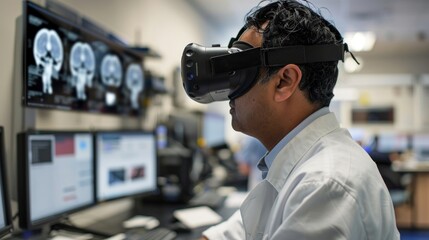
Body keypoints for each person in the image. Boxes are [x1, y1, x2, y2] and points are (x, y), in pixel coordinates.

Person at [199, 0, 400, 239]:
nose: (229, 90)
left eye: (240, 71)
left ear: (284, 81)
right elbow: (254, 224)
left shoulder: (324, 186)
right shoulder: (301, 163)